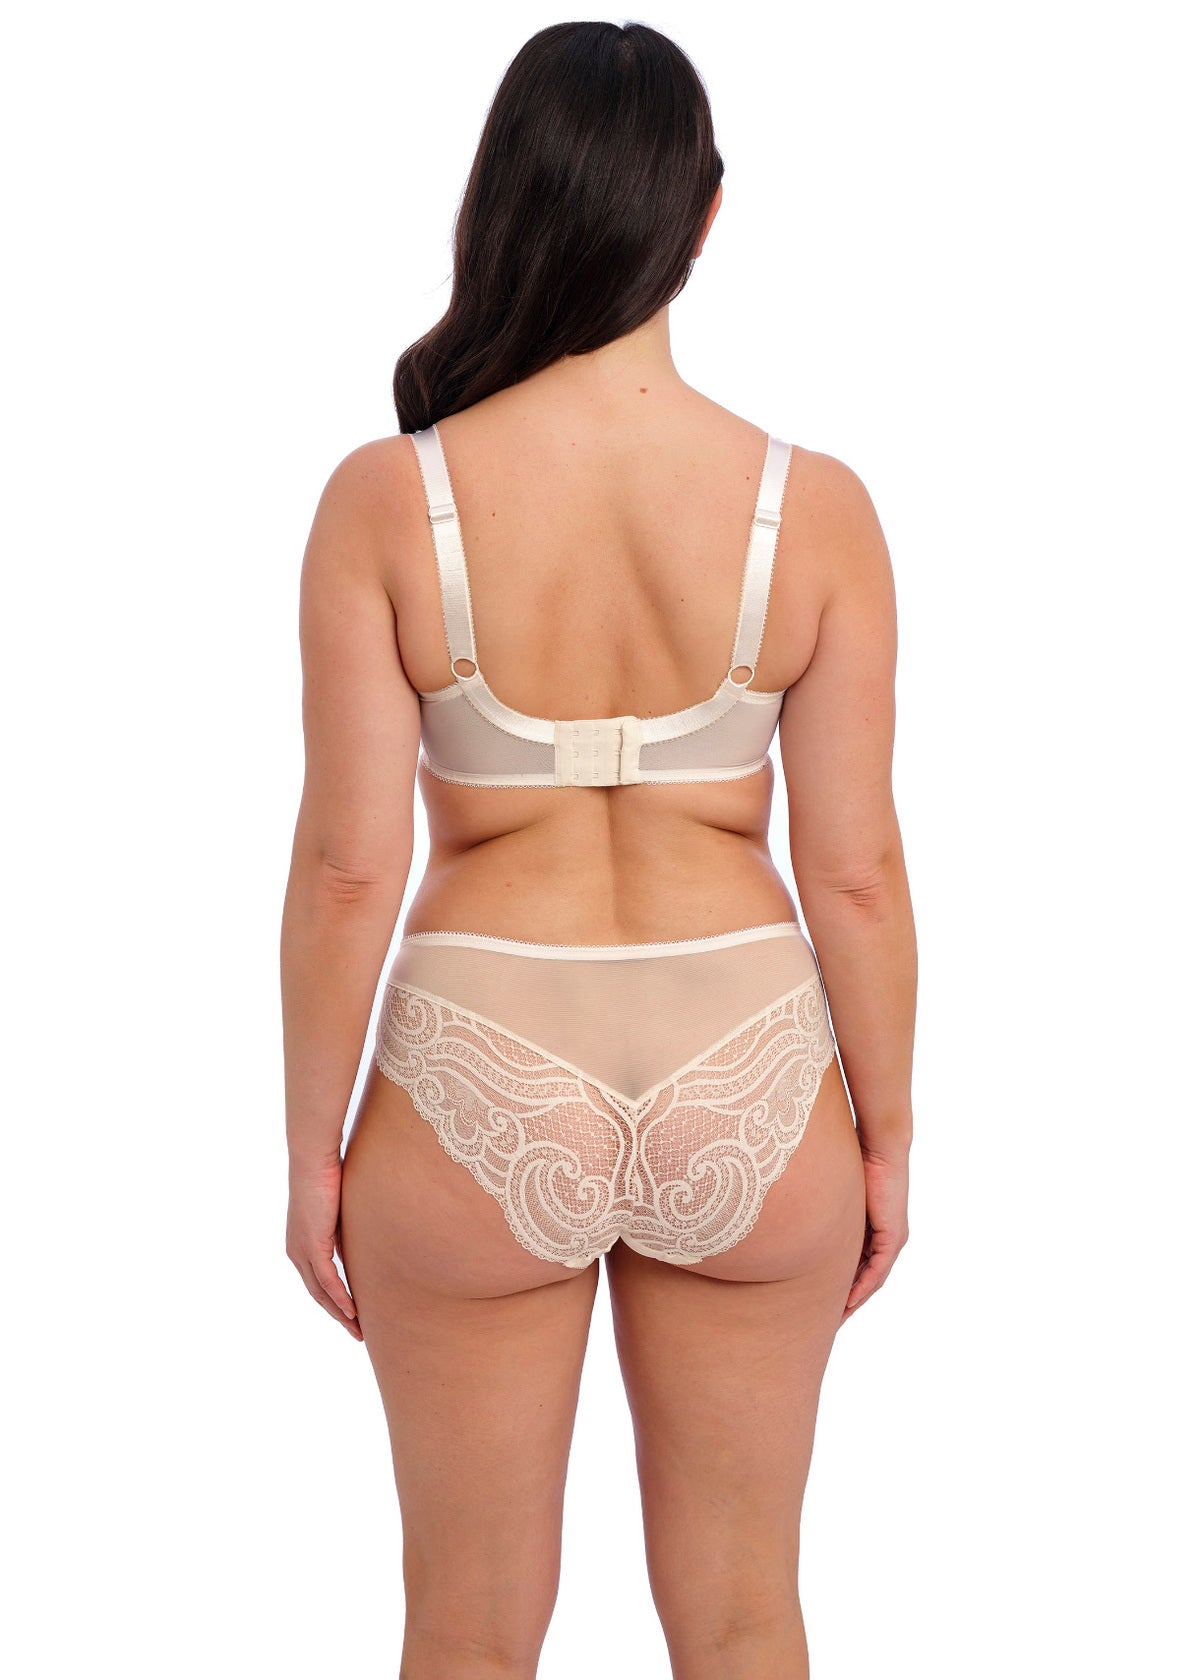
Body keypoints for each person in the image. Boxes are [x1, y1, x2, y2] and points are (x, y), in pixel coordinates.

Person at [280, 20, 916, 1680]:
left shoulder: (387, 502)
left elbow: (349, 868)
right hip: (752, 1061)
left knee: (467, 1630)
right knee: (746, 1616)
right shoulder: (814, 508)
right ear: (701, 213)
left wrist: (313, 1155)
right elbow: (856, 873)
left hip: (480, 1055)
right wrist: (888, 1138)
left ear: (503, 198)